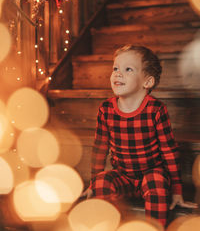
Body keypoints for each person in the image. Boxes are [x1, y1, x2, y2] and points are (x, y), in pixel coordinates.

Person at [82, 45, 197, 226]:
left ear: (147, 82)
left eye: (128, 69)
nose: (118, 74)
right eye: (115, 68)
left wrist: (176, 190)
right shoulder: (106, 109)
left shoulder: (155, 109)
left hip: (151, 174)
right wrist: (92, 183)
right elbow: (99, 148)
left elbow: (169, 151)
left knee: (156, 183)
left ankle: (153, 227)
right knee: (102, 182)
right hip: (123, 175)